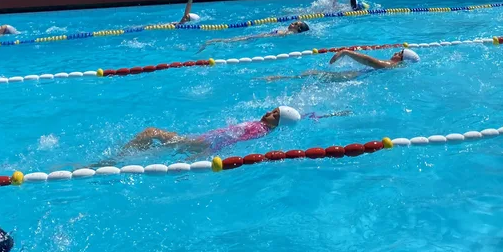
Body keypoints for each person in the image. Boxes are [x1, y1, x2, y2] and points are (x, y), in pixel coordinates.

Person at [119, 106, 348, 157]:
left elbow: (229, 142)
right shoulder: (264, 128)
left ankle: (116, 158)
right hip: (199, 142)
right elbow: (305, 115)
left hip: (199, 143)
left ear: (278, 123)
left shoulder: (259, 129)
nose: (268, 113)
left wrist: (202, 154)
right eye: (272, 110)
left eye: (274, 115)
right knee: (153, 138)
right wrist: (330, 114)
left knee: (151, 133)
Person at [264, 48, 419, 82]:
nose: (395, 53)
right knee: (314, 75)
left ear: (403, 59)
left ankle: (279, 78)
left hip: (355, 78)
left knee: (313, 74)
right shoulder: (394, 67)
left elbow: (370, 61)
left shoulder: (390, 64)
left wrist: (346, 52)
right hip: (360, 77)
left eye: (399, 53)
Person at [197, 20, 309, 50]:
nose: (291, 23)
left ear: (298, 29)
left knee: (231, 40)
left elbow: (289, 35)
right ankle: (211, 42)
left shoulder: (289, 33)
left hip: (257, 38)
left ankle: (211, 42)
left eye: (295, 24)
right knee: (232, 40)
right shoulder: (288, 32)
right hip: (258, 37)